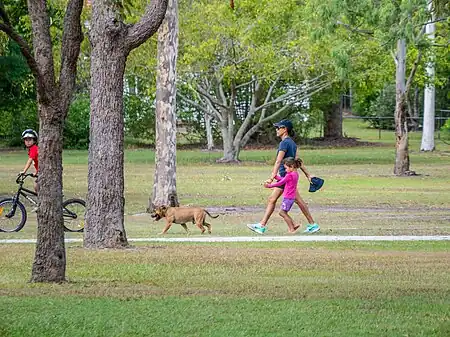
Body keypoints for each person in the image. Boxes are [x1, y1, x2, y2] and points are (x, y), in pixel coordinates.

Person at [247, 119, 320, 234]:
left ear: (284, 129)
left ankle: (262, 225)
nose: (276, 130)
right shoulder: (293, 143)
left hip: (286, 177)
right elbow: (298, 162)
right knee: (279, 199)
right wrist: (308, 175)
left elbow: (278, 161)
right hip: (288, 176)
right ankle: (311, 224)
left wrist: (272, 177)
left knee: (280, 200)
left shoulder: (284, 143)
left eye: (278, 128)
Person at [264, 157, 303, 233]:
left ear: (291, 166)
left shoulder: (289, 175)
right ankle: (294, 225)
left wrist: (270, 186)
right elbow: (284, 180)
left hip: (288, 198)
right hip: (291, 197)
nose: (285, 170)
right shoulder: (295, 174)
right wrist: (276, 177)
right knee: (283, 212)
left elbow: (281, 183)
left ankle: (292, 229)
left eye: (286, 168)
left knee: (282, 213)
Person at [20, 129, 39, 193]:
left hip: (44, 171)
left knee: (37, 186)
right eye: (26, 140)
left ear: (34, 140)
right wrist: (36, 172)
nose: (28, 142)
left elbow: (30, 160)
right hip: (41, 171)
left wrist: (24, 171)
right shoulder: (31, 149)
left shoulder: (34, 148)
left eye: (30, 139)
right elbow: (38, 162)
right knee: (37, 187)